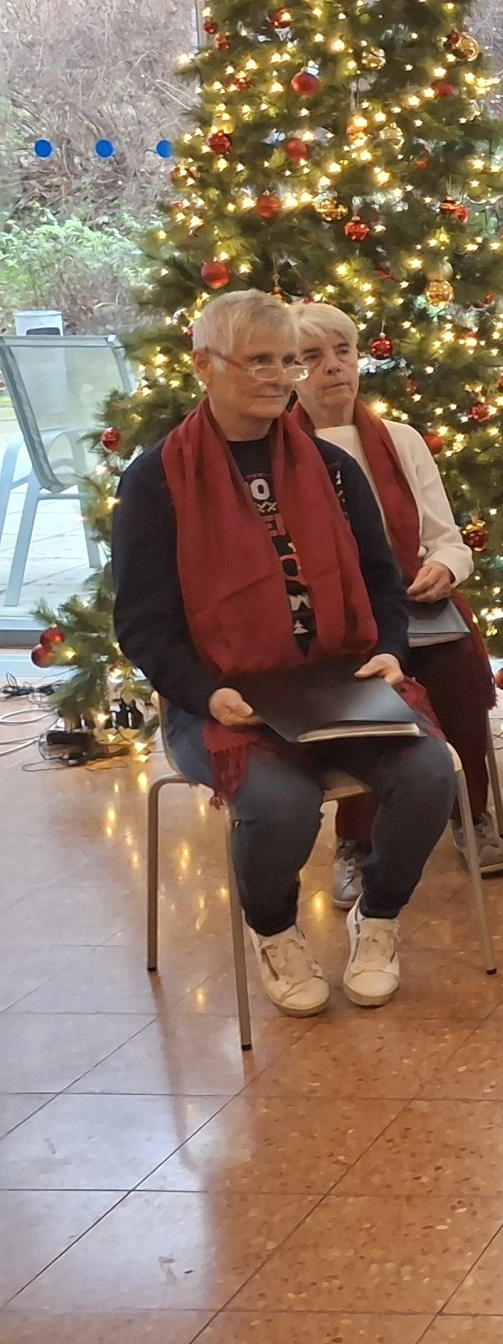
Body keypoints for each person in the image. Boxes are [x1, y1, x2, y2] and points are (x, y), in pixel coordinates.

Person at [112, 291, 458, 1016]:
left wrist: (390, 652)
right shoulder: (155, 482)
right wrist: (205, 693)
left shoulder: (331, 467)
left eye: (287, 362)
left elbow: (381, 582)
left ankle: (378, 916)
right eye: (259, 362)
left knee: (429, 773)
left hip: (340, 682)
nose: (279, 378)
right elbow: (143, 625)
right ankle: (275, 931)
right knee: (280, 804)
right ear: (204, 365)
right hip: (223, 698)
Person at [292, 302, 503, 911]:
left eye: (343, 352)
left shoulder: (402, 440)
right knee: (366, 691)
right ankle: (355, 841)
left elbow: (447, 539)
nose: (333, 367)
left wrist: (446, 568)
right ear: (290, 372)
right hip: (335, 620)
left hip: (413, 602)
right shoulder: (281, 452)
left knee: (459, 668)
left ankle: (471, 813)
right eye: (312, 357)